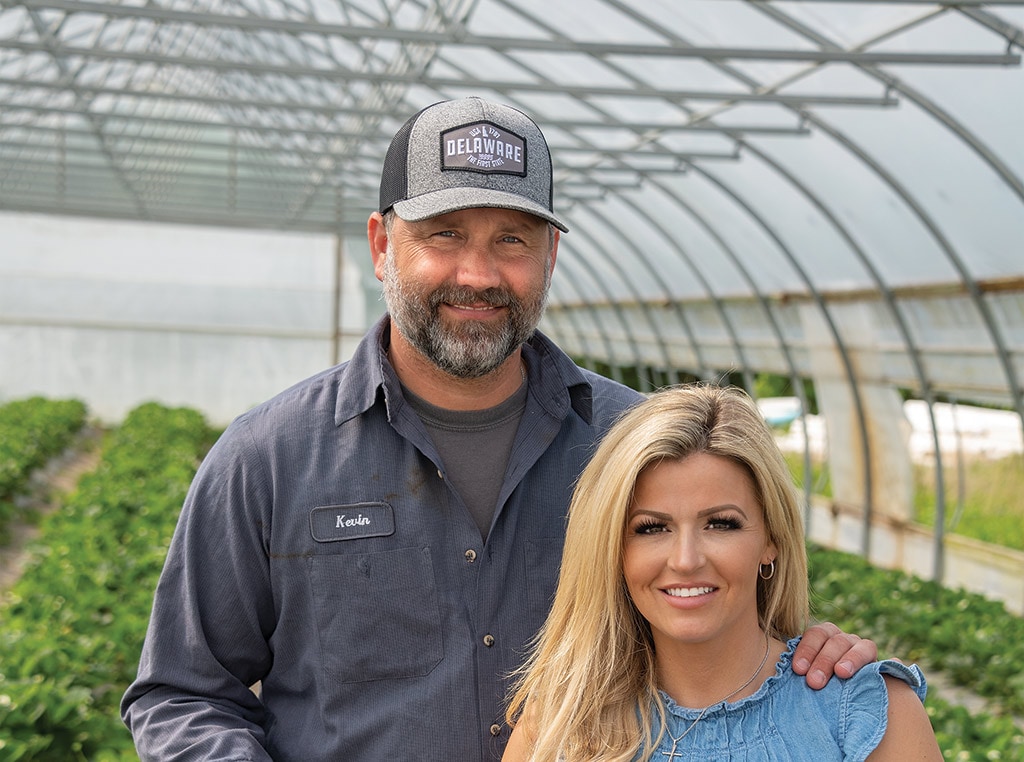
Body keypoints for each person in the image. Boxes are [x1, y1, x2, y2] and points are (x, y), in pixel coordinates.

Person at [121, 98, 878, 761]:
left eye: (512, 240)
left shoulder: (635, 445)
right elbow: (184, 692)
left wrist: (812, 653)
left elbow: (724, 609)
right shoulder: (269, 459)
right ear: (383, 245)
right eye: (444, 234)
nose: (478, 275)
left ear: (550, 255)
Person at [503, 384, 940, 762]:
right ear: (614, 551)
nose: (686, 559)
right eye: (652, 528)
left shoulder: (866, 718)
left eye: (721, 524)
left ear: (772, 538)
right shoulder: (557, 729)